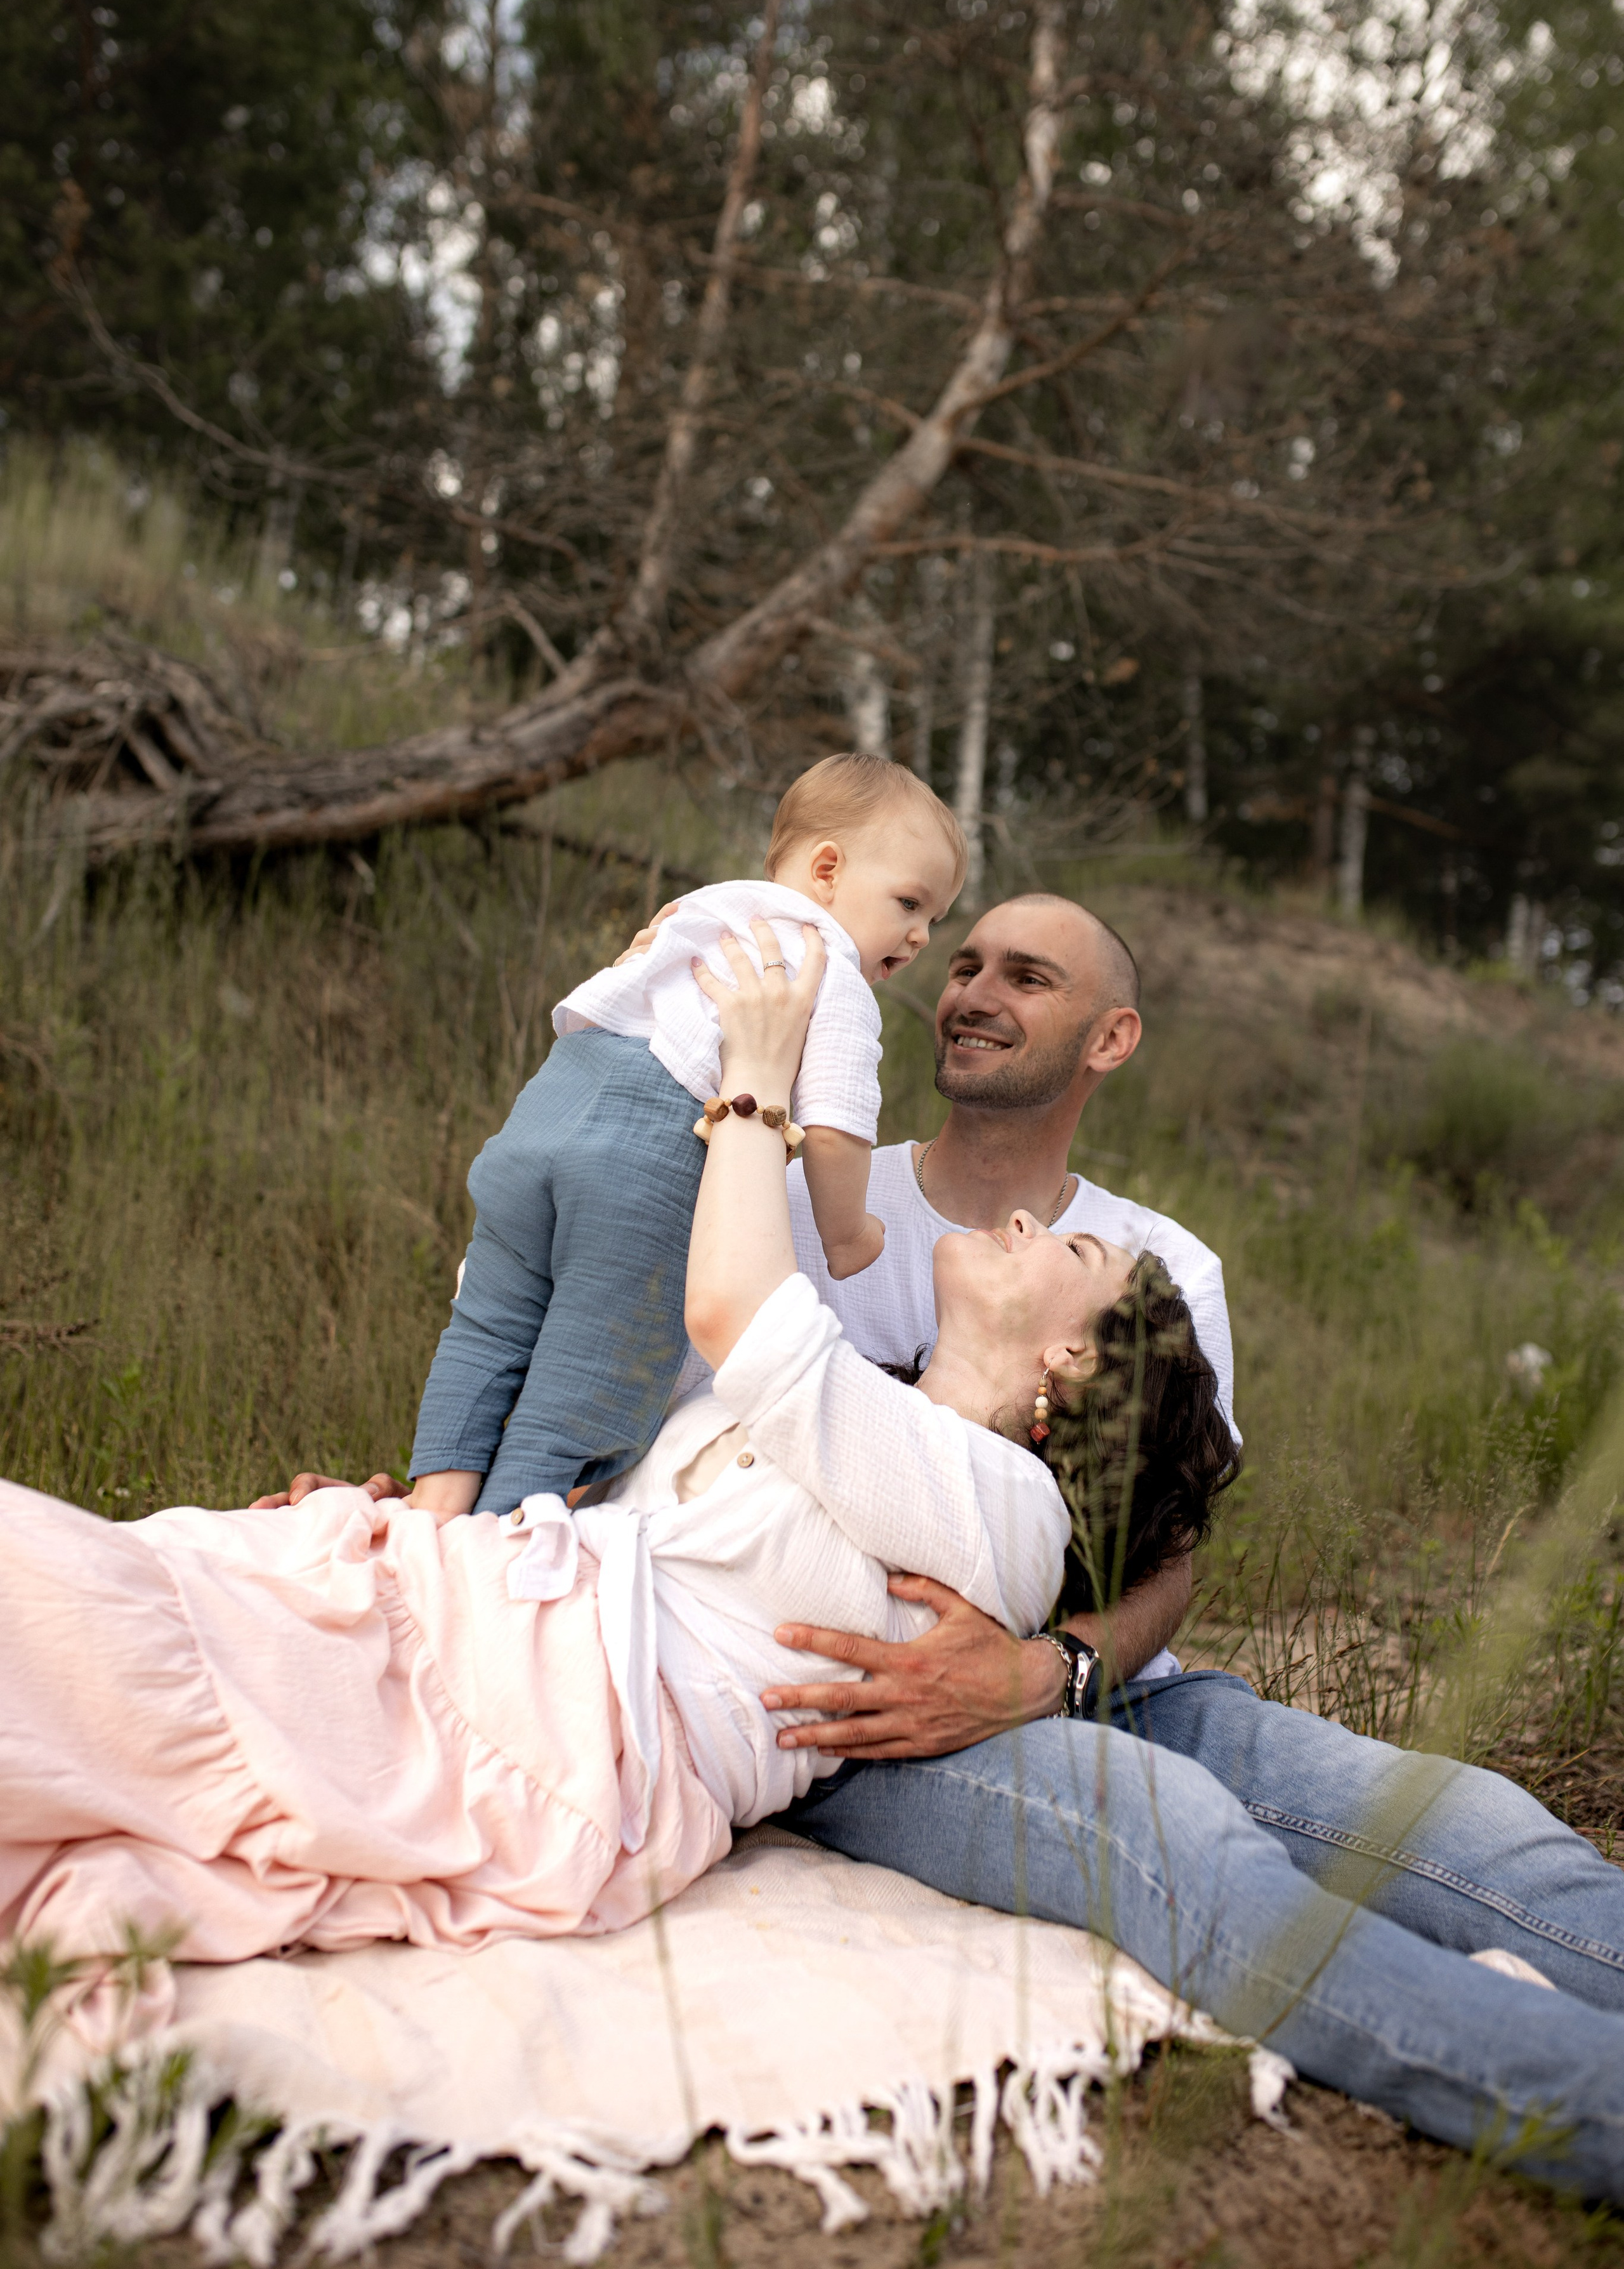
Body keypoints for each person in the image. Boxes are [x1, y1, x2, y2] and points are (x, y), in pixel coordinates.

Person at [258, 891, 1624, 2197]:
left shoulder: (1154, 1264)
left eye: (1026, 976)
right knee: (1186, 1858)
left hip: (1068, 1670)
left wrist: (1053, 1675)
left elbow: (1166, 1552)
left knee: (1468, 1832)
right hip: (851, 1701)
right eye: (962, 963)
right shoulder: (803, 1188)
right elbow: (608, 1383)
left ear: (1110, 1038)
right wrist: (432, 1532)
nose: (970, 992)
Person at [1, 924, 1193, 1992]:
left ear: (1075, 1372)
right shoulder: (865, 1408)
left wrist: (754, 1082)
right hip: (504, 1637)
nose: (1031, 1229)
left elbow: (735, 1311)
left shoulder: (1007, 1521)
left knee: (65, 1614)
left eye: (1073, 1254)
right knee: (137, 1591)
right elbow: (603, 1392)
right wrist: (413, 1514)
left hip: (558, 1726)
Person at [407, 755, 965, 1520]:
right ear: (827, 869)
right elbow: (837, 1131)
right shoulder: (823, 962)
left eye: (934, 919)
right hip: (638, 1163)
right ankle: (499, 1540)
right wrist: (848, 1233)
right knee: (591, 1373)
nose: (920, 935)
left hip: (539, 1118)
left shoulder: (698, 912)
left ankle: (431, 1509)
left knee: (488, 1326)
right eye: (910, 902)